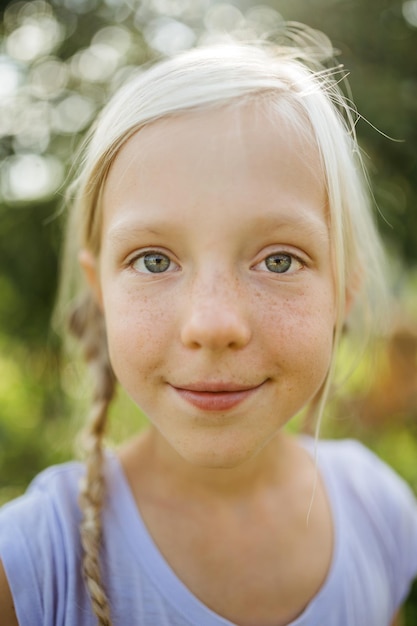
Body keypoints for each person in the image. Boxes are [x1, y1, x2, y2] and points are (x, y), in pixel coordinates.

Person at [0, 23, 416, 626]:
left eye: (279, 260)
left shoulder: (381, 514)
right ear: (101, 294)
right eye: (153, 260)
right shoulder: (30, 569)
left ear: (342, 292)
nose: (213, 324)